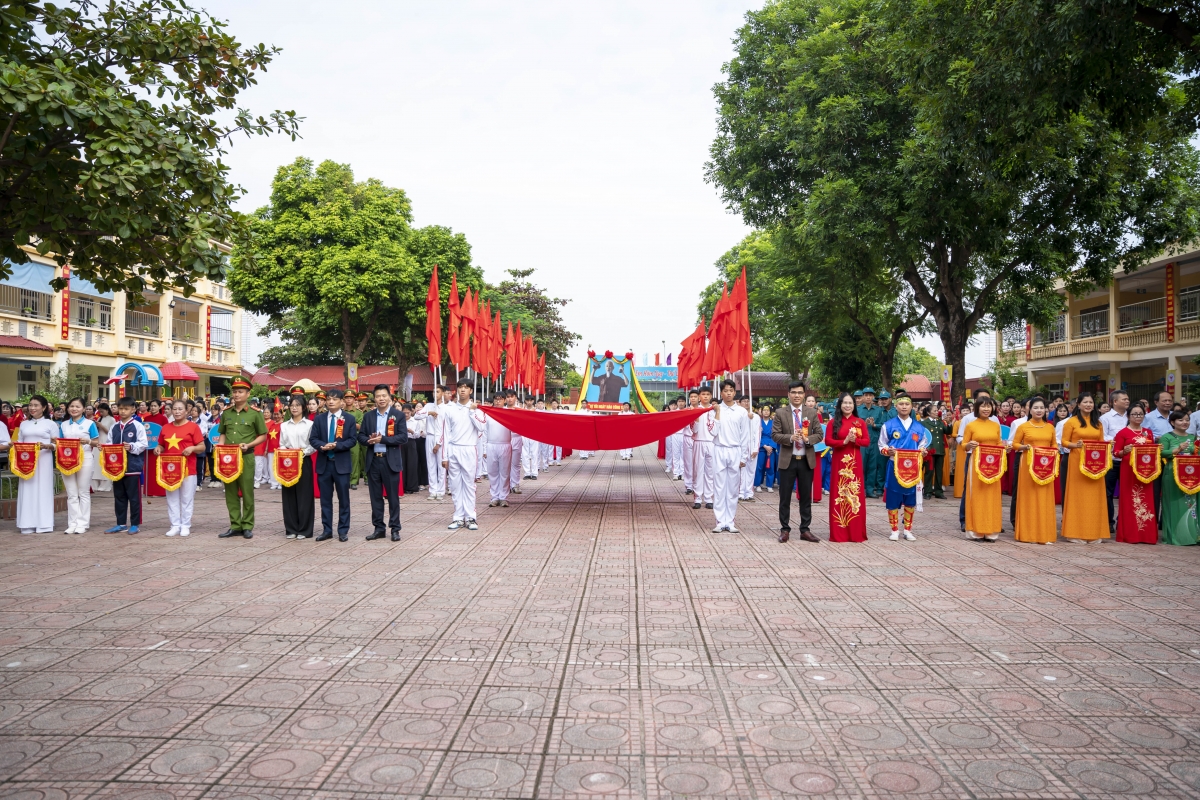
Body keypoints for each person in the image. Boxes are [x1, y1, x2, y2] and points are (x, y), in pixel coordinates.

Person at [771, 381, 824, 543]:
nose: (797, 395)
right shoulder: (781, 413)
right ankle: (785, 529)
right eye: (794, 392)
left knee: (806, 497)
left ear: (804, 395)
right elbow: (775, 435)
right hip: (788, 460)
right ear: (788, 394)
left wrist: (808, 439)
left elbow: (820, 434)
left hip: (806, 460)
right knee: (785, 497)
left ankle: (805, 529)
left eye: (800, 393)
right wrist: (790, 438)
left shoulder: (811, 412)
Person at [217, 377, 269, 539]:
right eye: (234, 391)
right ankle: (235, 525)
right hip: (228, 458)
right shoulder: (226, 413)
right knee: (230, 492)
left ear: (248, 394)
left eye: (240, 392)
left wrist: (250, 444)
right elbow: (223, 434)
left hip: (246, 456)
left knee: (247, 492)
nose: (236, 394)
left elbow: (263, 435)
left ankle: (247, 525)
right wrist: (219, 449)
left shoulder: (255, 414)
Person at [357, 384, 407, 542]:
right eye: (378, 396)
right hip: (373, 461)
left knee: (393, 497)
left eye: (384, 395)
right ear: (374, 399)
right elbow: (361, 437)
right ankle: (379, 528)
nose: (381, 399)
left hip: (390, 460)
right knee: (375, 497)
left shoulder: (397, 416)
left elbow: (403, 438)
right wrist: (369, 440)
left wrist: (383, 439)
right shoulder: (369, 416)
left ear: (389, 397)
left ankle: (395, 528)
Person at [879, 394, 931, 540]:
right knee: (893, 496)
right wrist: (887, 451)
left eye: (906, 404)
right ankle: (894, 529)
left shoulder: (919, 427)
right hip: (894, 465)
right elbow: (881, 445)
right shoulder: (888, 425)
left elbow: (922, 445)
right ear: (896, 406)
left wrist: (923, 451)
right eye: (900, 404)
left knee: (910, 498)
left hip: (912, 468)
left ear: (911, 407)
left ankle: (908, 529)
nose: (903, 406)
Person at [1061, 393, 1110, 543]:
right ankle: (1075, 532)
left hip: (1095, 464)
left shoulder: (1098, 423)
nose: (1088, 405)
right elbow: (1064, 441)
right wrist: (1075, 445)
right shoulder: (1071, 422)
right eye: (1085, 402)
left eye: (1091, 402)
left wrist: (1108, 445)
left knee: (1095, 496)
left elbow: (1101, 441)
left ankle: (1094, 532)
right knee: (1078, 496)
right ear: (1078, 404)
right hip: (1077, 461)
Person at [310, 388, 358, 542]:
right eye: (329, 398)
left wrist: (336, 446)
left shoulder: (349, 419)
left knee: (344, 499)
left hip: (341, 465)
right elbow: (313, 439)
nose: (331, 401)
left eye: (335, 399)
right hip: (324, 464)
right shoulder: (319, 419)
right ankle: (327, 530)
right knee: (325, 500)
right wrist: (322, 446)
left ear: (341, 401)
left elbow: (352, 440)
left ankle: (343, 530)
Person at [1009, 396, 1057, 544]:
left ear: (1046, 410)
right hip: (1028, 465)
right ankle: (1027, 533)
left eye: (1042, 408)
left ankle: (1045, 533)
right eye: (1036, 408)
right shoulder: (1023, 426)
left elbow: (1054, 445)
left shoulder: (1050, 427)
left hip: (1045, 467)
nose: (1039, 410)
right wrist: (1023, 447)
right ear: (1029, 409)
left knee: (1044, 497)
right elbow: (1015, 444)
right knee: (1028, 497)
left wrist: (1054, 451)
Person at [441, 379, 486, 530]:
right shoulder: (450, 409)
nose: (462, 390)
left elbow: (481, 427)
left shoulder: (478, 410)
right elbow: (445, 433)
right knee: (455, 485)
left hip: (469, 449)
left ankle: (471, 517)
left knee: (469, 484)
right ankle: (458, 517)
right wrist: (444, 456)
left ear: (471, 391)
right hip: (453, 449)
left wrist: (472, 411)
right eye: (460, 387)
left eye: (466, 388)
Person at [710, 380, 754, 533]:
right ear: (721, 393)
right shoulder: (714, 409)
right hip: (719, 449)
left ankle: (730, 521)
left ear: (735, 393)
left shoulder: (741, 412)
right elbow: (712, 432)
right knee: (720, 486)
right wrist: (717, 413)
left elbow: (745, 436)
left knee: (733, 488)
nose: (728, 393)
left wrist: (743, 457)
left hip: (735, 450)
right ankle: (720, 521)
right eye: (725, 390)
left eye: (731, 390)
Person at [157, 398, 205, 537]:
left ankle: (185, 525)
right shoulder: (166, 427)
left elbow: (202, 447)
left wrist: (192, 448)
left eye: (180, 409)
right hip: (170, 469)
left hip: (188, 468)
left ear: (186, 411)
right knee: (171, 497)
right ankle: (174, 525)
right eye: (175, 409)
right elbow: (161, 444)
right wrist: (158, 449)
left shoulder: (193, 427)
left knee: (186, 498)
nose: (177, 412)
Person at [825, 392, 869, 542]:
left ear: (854, 405)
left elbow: (867, 441)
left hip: (855, 463)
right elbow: (828, 441)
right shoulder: (833, 422)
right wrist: (843, 442)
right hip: (839, 462)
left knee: (854, 494)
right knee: (840, 495)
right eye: (845, 403)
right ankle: (840, 532)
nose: (848, 406)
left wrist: (855, 440)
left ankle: (855, 532)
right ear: (840, 405)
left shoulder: (860, 422)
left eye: (850, 403)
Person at [1112, 404, 1158, 544]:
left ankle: (1146, 535)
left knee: (1146, 499)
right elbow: (1116, 453)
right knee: (1130, 499)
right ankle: (1130, 535)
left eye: (1140, 414)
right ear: (1128, 416)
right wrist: (1124, 451)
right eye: (1134, 414)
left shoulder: (1148, 432)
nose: (1138, 417)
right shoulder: (1123, 433)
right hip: (1129, 470)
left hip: (1146, 471)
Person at [962, 396, 1004, 541]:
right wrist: (969, 445)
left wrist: (1005, 447)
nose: (986, 409)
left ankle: (991, 531)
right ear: (977, 408)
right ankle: (976, 530)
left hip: (994, 466)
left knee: (992, 496)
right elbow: (963, 445)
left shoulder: (995, 425)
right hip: (977, 465)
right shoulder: (971, 425)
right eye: (983, 406)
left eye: (989, 406)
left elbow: (998, 443)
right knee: (977, 495)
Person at [106, 396, 148, 535]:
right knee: (119, 496)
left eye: (126, 409)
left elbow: (143, 444)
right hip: (116, 468)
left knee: (134, 497)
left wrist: (131, 446)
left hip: (132, 467)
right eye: (121, 408)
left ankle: (135, 524)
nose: (123, 411)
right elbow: (109, 442)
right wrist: (105, 448)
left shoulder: (137, 426)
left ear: (133, 410)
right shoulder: (114, 427)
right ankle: (121, 523)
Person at [57, 397, 99, 534]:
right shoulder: (63, 425)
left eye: (77, 406)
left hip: (85, 459)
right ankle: (72, 523)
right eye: (72, 406)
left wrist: (87, 441)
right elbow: (60, 443)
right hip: (67, 460)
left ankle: (83, 523)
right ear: (68, 408)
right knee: (71, 494)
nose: (74, 409)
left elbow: (97, 443)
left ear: (83, 409)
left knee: (83, 492)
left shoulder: (89, 424)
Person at [278, 394, 316, 540]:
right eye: (292, 405)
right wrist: (286, 452)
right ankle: (291, 528)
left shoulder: (310, 425)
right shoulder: (284, 425)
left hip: (303, 460)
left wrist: (302, 452)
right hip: (287, 462)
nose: (294, 408)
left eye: (297, 405)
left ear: (303, 407)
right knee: (288, 495)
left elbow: (313, 444)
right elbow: (282, 443)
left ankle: (305, 529)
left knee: (304, 495)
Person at [1159, 410, 1199, 546]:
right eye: (1180, 420)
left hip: (1192, 475)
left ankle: (1192, 536)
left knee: (1191, 505)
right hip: (1173, 474)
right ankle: (1174, 536)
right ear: (1172, 422)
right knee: (1173, 504)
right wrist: (1176, 450)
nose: (1185, 422)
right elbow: (1162, 453)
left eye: (1187, 420)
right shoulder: (1167, 437)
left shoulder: (1193, 437)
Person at [15, 396, 54, 533]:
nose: (32, 408)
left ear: (43, 407)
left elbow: (57, 444)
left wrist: (47, 445)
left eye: (36, 405)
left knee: (42, 489)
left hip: (43, 460)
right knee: (27, 489)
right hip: (26, 462)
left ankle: (43, 524)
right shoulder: (24, 424)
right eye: (31, 405)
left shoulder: (51, 424)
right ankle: (26, 523)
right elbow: (18, 442)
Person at [1101, 390, 1130, 533]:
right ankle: (1108, 522)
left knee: (1128, 492)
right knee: (1108, 493)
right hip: (1112, 460)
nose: (1127, 401)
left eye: (1127, 399)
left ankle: (1125, 522)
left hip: (1129, 461)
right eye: (1124, 399)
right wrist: (1117, 442)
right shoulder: (1105, 418)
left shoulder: (1132, 417)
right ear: (1115, 401)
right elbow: (1102, 436)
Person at [413, 386, 446, 500]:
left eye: (437, 391)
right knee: (431, 465)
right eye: (433, 391)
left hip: (441, 438)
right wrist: (429, 413)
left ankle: (441, 490)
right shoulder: (428, 406)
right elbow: (416, 415)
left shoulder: (446, 408)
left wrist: (439, 443)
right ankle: (433, 490)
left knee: (441, 465)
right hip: (429, 436)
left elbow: (445, 428)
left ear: (442, 393)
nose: (435, 394)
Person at [689, 387, 716, 510]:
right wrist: (696, 416)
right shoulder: (694, 410)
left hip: (712, 443)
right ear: (699, 396)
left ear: (711, 396)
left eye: (708, 394)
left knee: (710, 472)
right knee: (698, 471)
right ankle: (698, 498)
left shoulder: (714, 410)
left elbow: (716, 430)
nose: (705, 396)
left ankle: (709, 498)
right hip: (698, 442)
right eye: (703, 394)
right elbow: (694, 429)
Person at [485, 395, 513, 507]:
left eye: (500, 399)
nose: (497, 401)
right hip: (491, 445)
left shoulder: (509, 413)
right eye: (496, 399)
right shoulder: (488, 414)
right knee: (492, 472)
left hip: (505, 445)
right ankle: (494, 497)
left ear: (504, 401)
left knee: (505, 472)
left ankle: (504, 497)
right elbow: (484, 431)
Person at [858, 388, 885, 497]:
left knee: (872, 467)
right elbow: (854, 423)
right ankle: (860, 490)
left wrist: (874, 425)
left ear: (873, 397)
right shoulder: (858, 409)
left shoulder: (879, 410)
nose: (868, 397)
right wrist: (863, 423)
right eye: (866, 395)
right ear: (863, 397)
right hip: (861, 442)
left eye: (870, 395)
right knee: (861, 466)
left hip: (874, 442)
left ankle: (869, 490)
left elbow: (883, 424)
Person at [921, 404, 947, 500]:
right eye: (935, 410)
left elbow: (947, 431)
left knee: (939, 472)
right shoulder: (924, 423)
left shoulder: (940, 422)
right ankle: (927, 491)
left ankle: (938, 491)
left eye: (937, 410)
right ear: (928, 412)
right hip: (930, 451)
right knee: (929, 471)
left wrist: (949, 423)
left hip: (940, 450)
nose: (937, 412)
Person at [738, 395, 758, 499]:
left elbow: (757, 434)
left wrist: (756, 449)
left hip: (752, 446)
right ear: (739, 403)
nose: (746, 403)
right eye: (744, 401)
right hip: (741, 446)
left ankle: (749, 493)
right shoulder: (737, 415)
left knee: (751, 471)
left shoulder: (756, 417)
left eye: (748, 401)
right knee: (742, 470)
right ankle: (741, 493)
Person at [754, 404, 776, 493]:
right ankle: (757, 484)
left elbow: (776, 435)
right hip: (761, 446)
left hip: (771, 447)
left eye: (768, 410)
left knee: (770, 467)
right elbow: (756, 435)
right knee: (759, 467)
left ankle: (769, 485)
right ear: (761, 412)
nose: (766, 412)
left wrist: (771, 446)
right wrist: (764, 445)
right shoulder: (758, 422)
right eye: (764, 410)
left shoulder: (774, 422)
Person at [348, 391, 366, 490]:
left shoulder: (358, 413)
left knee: (355, 459)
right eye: (347, 398)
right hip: (342, 439)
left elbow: (360, 426)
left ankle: (354, 480)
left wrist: (349, 423)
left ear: (354, 399)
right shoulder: (341, 412)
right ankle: (346, 479)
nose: (348, 400)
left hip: (354, 438)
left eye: (351, 398)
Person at [682, 390, 700, 495]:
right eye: (691, 397)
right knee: (688, 463)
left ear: (698, 398)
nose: (693, 398)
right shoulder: (685, 410)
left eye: (695, 396)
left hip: (698, 439)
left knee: (698, 463)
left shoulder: (703, 410)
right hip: (687, 437)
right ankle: (689, 486)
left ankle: (697, 484)